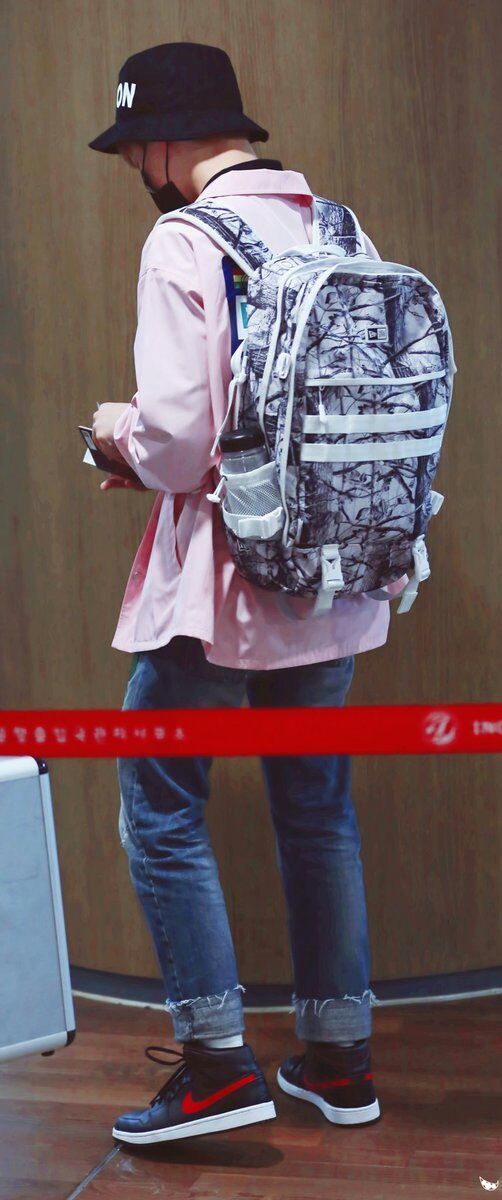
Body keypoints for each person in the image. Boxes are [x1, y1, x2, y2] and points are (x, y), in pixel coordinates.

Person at [89, 41, 405, 1146]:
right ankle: (340, 1061)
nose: (138, 171)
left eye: (135, 150)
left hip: (223, 591)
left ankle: (218, 1069)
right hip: (331, 579)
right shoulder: (339, 228)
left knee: (161, 807)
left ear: (163, 143)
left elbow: (179, 445)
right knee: (317, 811)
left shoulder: (185, 238)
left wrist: (113, 433)